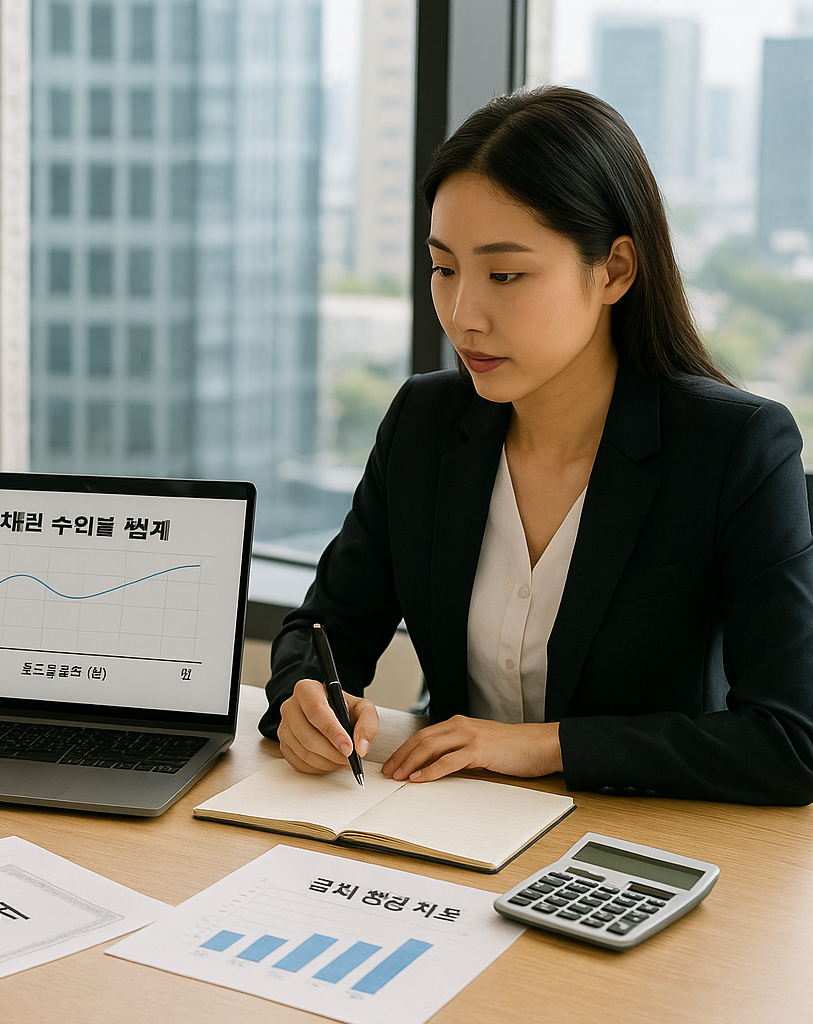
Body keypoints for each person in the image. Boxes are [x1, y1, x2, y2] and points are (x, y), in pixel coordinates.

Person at [262, 86, 813, 806]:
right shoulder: (424, 423)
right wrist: (303, 697)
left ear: (614, 270)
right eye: (444, 268)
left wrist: (547, 746)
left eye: (505, 274)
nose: (463, 315)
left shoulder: (735, 448)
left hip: (635, 830)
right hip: (443, 818)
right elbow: (325, 627)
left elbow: (788, 740)